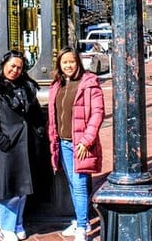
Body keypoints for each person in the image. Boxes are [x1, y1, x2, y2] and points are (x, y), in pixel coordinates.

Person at [0, 50, 46, 241]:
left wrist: (38, 132)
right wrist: (2, 141)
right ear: (4, 64)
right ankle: (7, 227)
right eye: (12, 66)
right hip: (9, 146)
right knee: (9, 189)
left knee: (23, 188)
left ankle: (18, 222)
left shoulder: (26, 86)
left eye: (19, 67)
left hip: (27, 144)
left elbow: (36, 113)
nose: (15, 70)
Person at [48, 46, 105, 241]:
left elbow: (97, 113)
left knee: (79, 184)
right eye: (64, 62)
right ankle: (82, 220)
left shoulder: (88, 83)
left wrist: (87, 140)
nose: (68, 65)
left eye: (71, 61)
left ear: (78, 62)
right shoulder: (58, 85)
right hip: (63, 143)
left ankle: (82, 227)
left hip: (80, 143)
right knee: (74, 184)